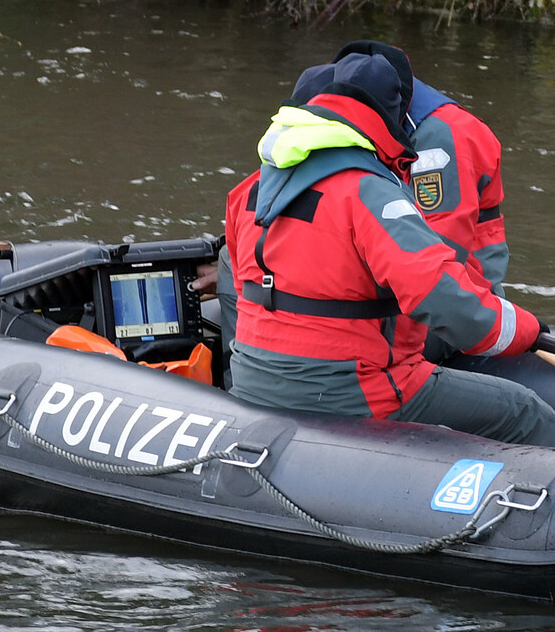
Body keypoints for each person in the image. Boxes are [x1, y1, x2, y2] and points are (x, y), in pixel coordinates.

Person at [224, 51, 555, 446]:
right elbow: (444, 298)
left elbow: (242, 287)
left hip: (250, 381)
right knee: (524, 410)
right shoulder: (370, 194)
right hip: (352, 390)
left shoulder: (248, 192)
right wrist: (530, 331)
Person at [332, 41, 509, 364]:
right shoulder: (381, 122)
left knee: (339, 342)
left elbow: (439, 259)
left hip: (460, 300)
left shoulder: (439, 141)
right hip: (406, 283)